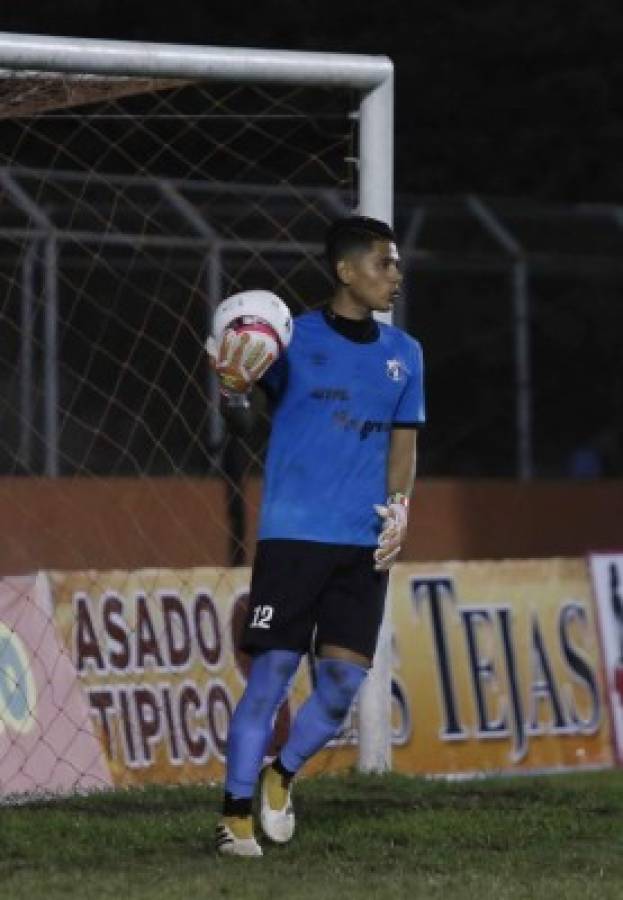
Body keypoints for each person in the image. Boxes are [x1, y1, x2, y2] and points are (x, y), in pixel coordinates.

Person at [210, 216, 425, 857]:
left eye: (396, 263)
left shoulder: (406, 354)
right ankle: (234, 817)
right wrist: (233, 394)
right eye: (384, 263)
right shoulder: (288, 339)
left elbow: (404, 446)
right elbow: (246, 422)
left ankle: (281, 775)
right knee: (271, 677)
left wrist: (400, 509)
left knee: (339, 690)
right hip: (294, 538)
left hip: (364, 542)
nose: (396, 274)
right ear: (345, 270)